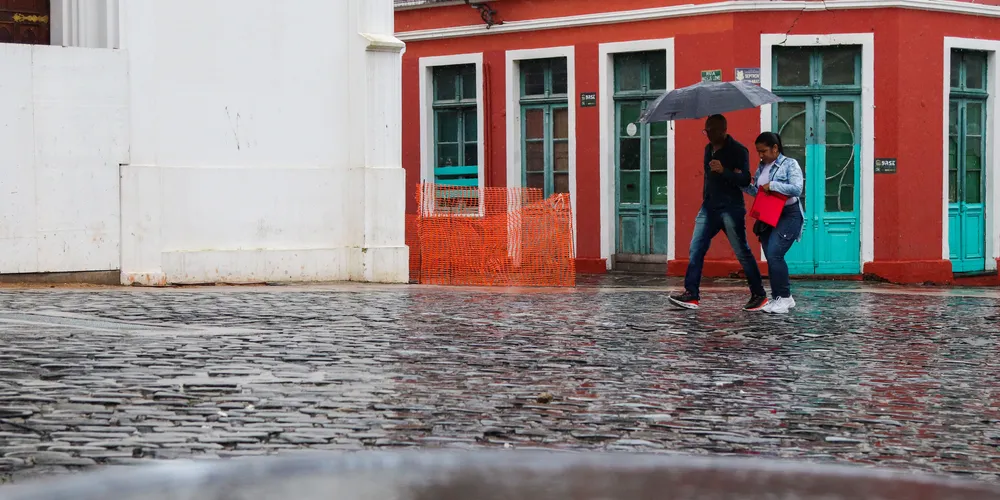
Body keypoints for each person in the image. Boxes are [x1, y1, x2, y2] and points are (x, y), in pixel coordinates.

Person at [669, 114, 767, 311]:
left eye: (711, 131)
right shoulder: (708, 149)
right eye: (706, 131)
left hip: (731, 208)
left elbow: (746, 179)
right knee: (696, 248)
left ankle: (759, 295)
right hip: (709, 208)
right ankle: (691, 295)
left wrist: (724, 171)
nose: (708, 135)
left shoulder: (739, 150)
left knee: (742, 252)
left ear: (723, 130)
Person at [744, 131, 805, 314]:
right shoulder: (761, 167)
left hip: (789, 214)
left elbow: (797, 188)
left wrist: (774, 185)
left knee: (775, 253)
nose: (761, 155)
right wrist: (743, 183)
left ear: (775, 148)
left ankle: (784, 297)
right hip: (769, 215)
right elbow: (759, 192)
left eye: (763, 151)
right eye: (758, 152)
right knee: (771, 257)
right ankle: (780, 297)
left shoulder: (789, 164)